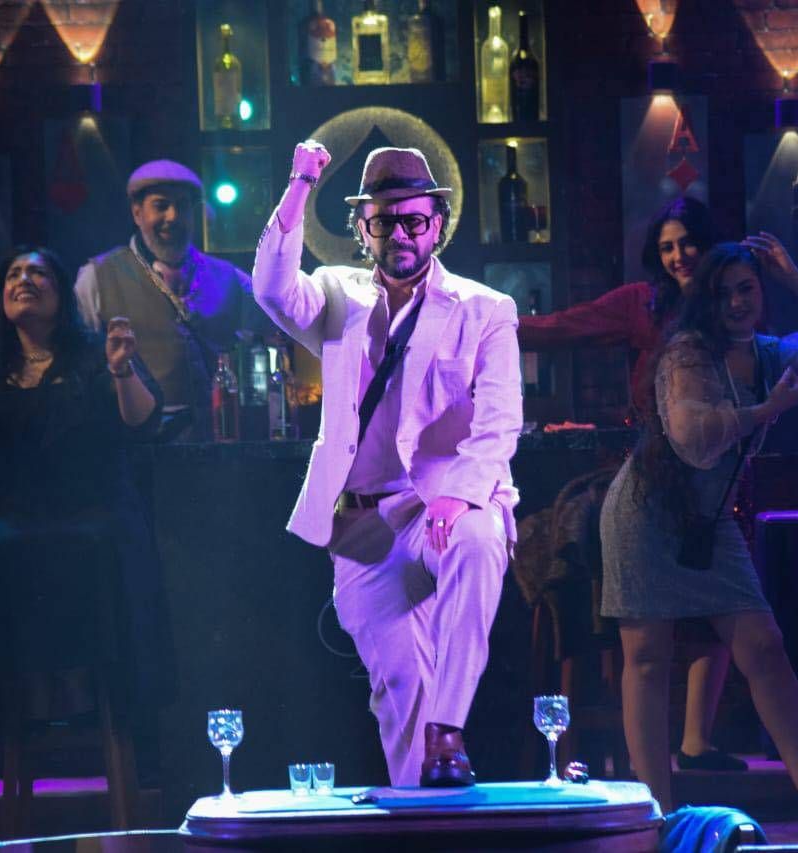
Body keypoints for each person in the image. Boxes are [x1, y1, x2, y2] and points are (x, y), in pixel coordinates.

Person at [599, 236, 798, 838]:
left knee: (764, 645)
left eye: (747, 289)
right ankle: (655, 815)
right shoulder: (687, 352)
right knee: (648, 660)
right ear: (706, 298)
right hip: (648, 513)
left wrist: (795, 277)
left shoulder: (768, 353)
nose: (736, 302)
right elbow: (692, 440)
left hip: (708, 521)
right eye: (724, 292)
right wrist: (766, 411)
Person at [252, 142, 523, 788]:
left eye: (414, 219)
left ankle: (449, 727)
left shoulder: (486, 309)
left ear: (437, 223)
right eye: (383, 220)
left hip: (441, 508)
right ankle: (424, 814)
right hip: (364, 524)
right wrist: (300, 182)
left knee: (479, 538)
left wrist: (460, 494)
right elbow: (270, 288)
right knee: (400, 693)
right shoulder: (334, 295)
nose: (399, 233)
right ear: (362, 227)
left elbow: (499, 423)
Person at [0, 246, 173, 766]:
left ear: (60, 294)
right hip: (18, 522)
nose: (24, 280)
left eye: (38, 273)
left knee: (92, 547)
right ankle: (23, 704)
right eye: (14, 274)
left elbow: (143, 423)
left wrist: (123, 371)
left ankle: (95, 701)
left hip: (94, 513)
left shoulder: (96, 355)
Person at [519, 197, 746, 772]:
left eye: (687, 243)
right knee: (650, 623)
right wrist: (487, 324)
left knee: (720, 608)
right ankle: (648, 771)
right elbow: (561, 326)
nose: (679, 256)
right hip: (656, 474)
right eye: (667, 247)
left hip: (717, 473)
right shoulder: (644, 304)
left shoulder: (730, 301)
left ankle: (696, 742)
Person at [75, 159, 256, 440]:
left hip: (222, 439)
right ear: (137, 213)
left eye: (182, 206)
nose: (172, 216)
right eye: (161, 206)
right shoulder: (97, 276)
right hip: (141, 445)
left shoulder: (229, 276)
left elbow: (277, 322)